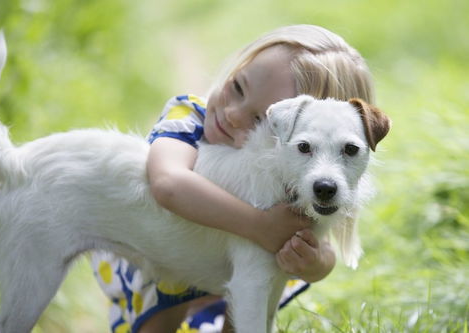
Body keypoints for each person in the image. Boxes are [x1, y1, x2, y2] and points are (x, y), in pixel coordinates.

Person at [92, 24, 375, 333]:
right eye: (238, 88)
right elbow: (168, 184)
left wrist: (315, 263)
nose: (233, 114)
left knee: (261, 274)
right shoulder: (186, 115)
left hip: (224, 266)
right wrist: (261, 227)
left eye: (259, 119)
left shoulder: (293, 170)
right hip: (156, 252)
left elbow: (318, 241)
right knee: (162, 312)